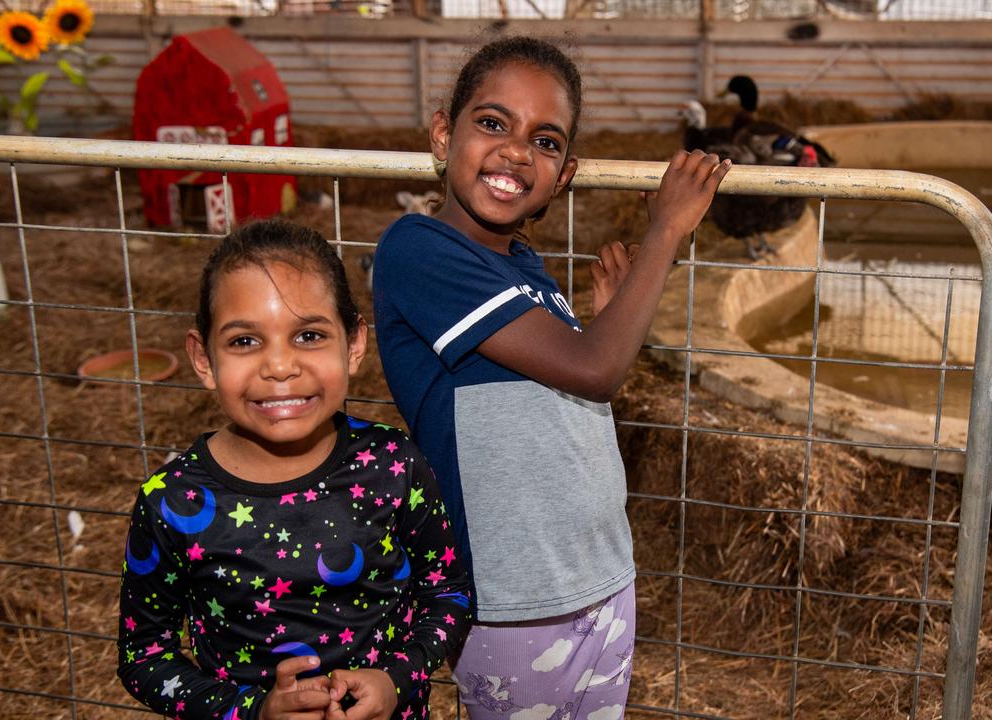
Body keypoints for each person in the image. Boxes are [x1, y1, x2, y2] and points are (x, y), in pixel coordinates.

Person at [372, 36, 729, 719]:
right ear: (444, 136)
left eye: (546, 140)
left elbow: (580, 391)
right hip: (515, 602)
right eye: (492, 123)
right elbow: (595, 370)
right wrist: (666, 230)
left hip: (599, 580)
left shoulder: (528, 271)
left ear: (563, 176)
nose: (515, 151)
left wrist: (614, 316)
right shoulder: (418, 250)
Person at [117, 218, 471, 720]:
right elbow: (143, 655)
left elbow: (448, 591)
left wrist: (397, 678)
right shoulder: (173, 502)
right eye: (244, 341)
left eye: (308, 335)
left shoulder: (394, 466)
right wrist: (249, 711)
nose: (280, 367)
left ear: (353, 345)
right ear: (203, 358)